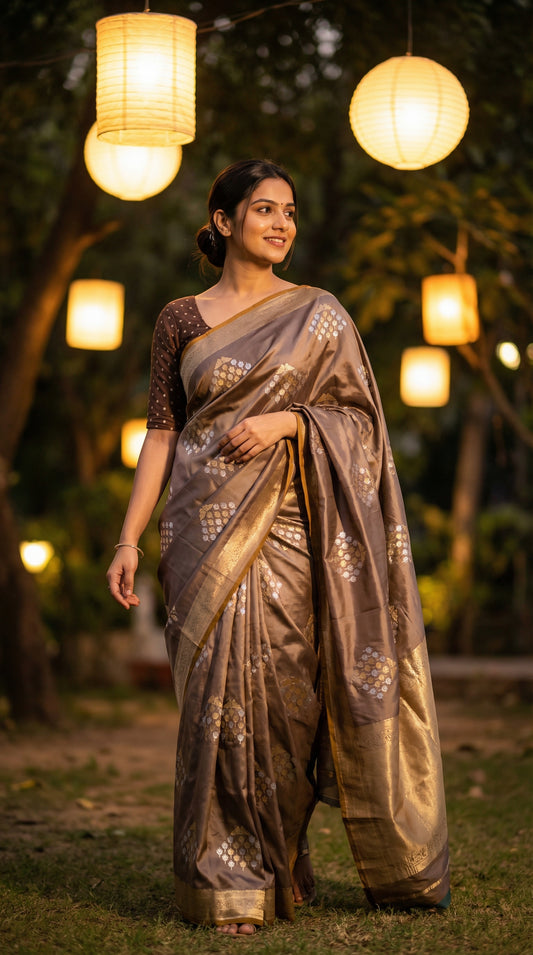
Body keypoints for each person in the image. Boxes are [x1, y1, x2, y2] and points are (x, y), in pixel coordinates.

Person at [107, 159, 450, 936]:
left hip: (294, 535)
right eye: (263, 210)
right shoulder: (179, 320)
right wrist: (126, 536)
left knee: (288, 703)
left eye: (289, 212)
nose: (281, 224)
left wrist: (290, 422)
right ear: (224, 222)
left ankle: (279, 853)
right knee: (212, 712)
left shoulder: (320, 314)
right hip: (201, 530)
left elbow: (362, 425)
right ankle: (226, 878)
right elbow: (162, 432)